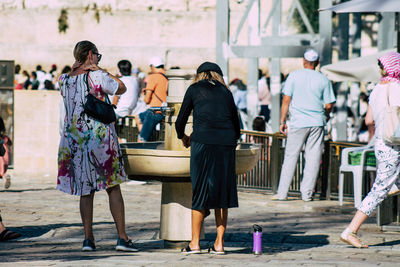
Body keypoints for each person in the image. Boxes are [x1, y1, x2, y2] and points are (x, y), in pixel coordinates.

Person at [57, 40, 137, 252]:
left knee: (86, 191)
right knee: (113, 187)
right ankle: (122, 238)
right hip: (100, 138)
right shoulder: (98, 76)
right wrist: (100, 69)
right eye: (97, 56)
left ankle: (88, 239)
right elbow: (122, 87)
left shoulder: (63, 80)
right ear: (91, 54)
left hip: (75, 139)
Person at [175, 62, 240, 254]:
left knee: (200, 190)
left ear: (200, 75)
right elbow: (236, 122)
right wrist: (231, 140)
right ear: (218, 75)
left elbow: (181, 120)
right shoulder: (226, 92)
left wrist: (183, 137)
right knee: (222, 193)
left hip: (203, 141)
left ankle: (195, 243)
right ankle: (219, 244)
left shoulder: (194, 89)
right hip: (226, 142)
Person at [340, 52, 400, 248]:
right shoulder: (397, 88)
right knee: (378, 191)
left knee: (384, 185)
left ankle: (394, 184)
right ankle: (351, 230)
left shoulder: (375, 90)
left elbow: (368, 121)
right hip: (394, 145)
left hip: (381, 144)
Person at [272, 48, 336, 202]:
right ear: (318, 63)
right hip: (317, 122)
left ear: (303, 61)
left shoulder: (294, 76)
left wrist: (282, 121)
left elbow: (286, 100)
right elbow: (328, 105)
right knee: (313, 158)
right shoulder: (324, 79)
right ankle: (306, 194)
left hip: (298, 122)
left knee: (290, 156)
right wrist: (325, 117)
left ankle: (282, 193)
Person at [138, 56, 168, 141]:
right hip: (164, 111)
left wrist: (144, 94)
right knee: (139, 117)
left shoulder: (154, 76)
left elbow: (147, 100)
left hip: (154, 112)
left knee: (141, 139)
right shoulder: (166, 77)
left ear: (153, 66)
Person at [0, 117, 11, 189]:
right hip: (4, 154)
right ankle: (5, 176)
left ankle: (4, 176)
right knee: (2, 171)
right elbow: (10, 143)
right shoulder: (4, 138)